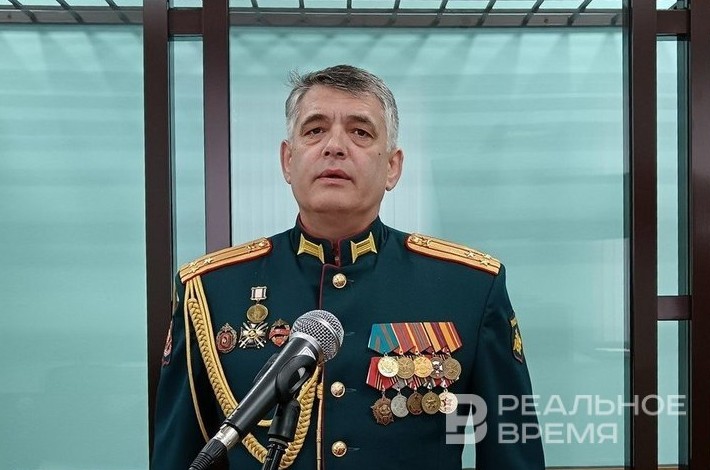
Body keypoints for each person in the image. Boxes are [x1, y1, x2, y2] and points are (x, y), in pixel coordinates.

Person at [151, 64, 545, 470]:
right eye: (314, 130)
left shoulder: (468, 288)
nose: (335, 146)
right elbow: (179, 455)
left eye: (360, 132)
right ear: (288, 161)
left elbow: (511, 452)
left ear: (392, 167)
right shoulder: (212, 290)